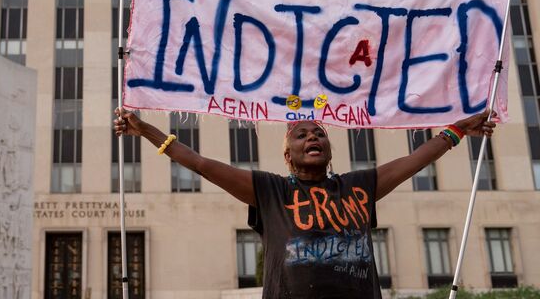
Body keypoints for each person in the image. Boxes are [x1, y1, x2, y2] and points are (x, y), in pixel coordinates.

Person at [113, 107, 496, 298]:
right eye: (301, 135)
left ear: (329, 149)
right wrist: (145, 130)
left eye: (319, 134)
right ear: (287, 154)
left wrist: (458, 129)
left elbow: (417, 159)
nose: (313, 137)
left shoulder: (360, 186)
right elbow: (200, 163)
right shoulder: (270, 191)